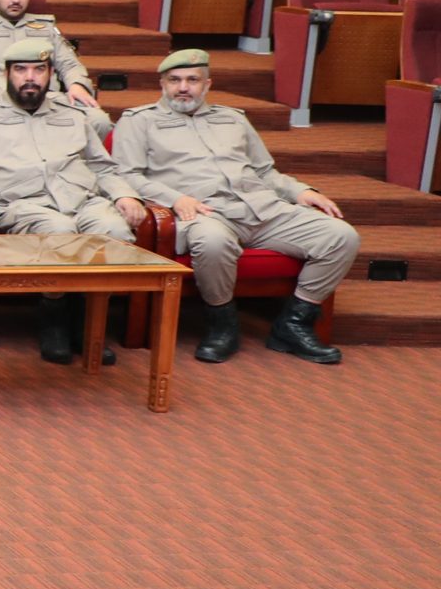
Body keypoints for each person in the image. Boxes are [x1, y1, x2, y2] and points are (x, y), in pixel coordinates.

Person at [110, 47, 355, 365]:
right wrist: (175, 199)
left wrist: (299, 191)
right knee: (212, 242)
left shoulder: (234, 119)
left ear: (207, 84)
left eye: (192, 80)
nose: (183, 87)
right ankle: (222, 323)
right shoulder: (139, 121)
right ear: (162, 84)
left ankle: (293, 323)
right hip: (202, 212)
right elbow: (127, 175)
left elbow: (265, 171)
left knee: (341, 237)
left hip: (261, 208)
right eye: (175, 80)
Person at [0, 38, 149, 364]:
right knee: (60, 230)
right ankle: (55, 317)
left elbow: (102, 167)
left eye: (39, 69)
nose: (30, 77)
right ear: (7, 75)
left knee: (115, 231)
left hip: (83, 200)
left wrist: (124, 194)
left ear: (51, 73)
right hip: (23, 205)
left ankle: (88, 322)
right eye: (21, 70)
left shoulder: (72, 115)